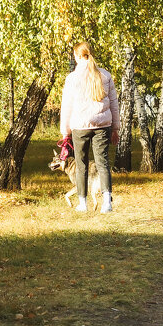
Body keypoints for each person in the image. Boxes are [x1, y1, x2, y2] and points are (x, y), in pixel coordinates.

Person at [59, 42, 120, 213]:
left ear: (78, 57)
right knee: (103, 163)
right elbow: (114, 104)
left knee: (81, 165)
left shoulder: (71, 78)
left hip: (80, 127)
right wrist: (115, 128)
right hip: (103, 125)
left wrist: (65, 132)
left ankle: (82, 204)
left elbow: (67, 107)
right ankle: (107, 203)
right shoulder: (105, 75)